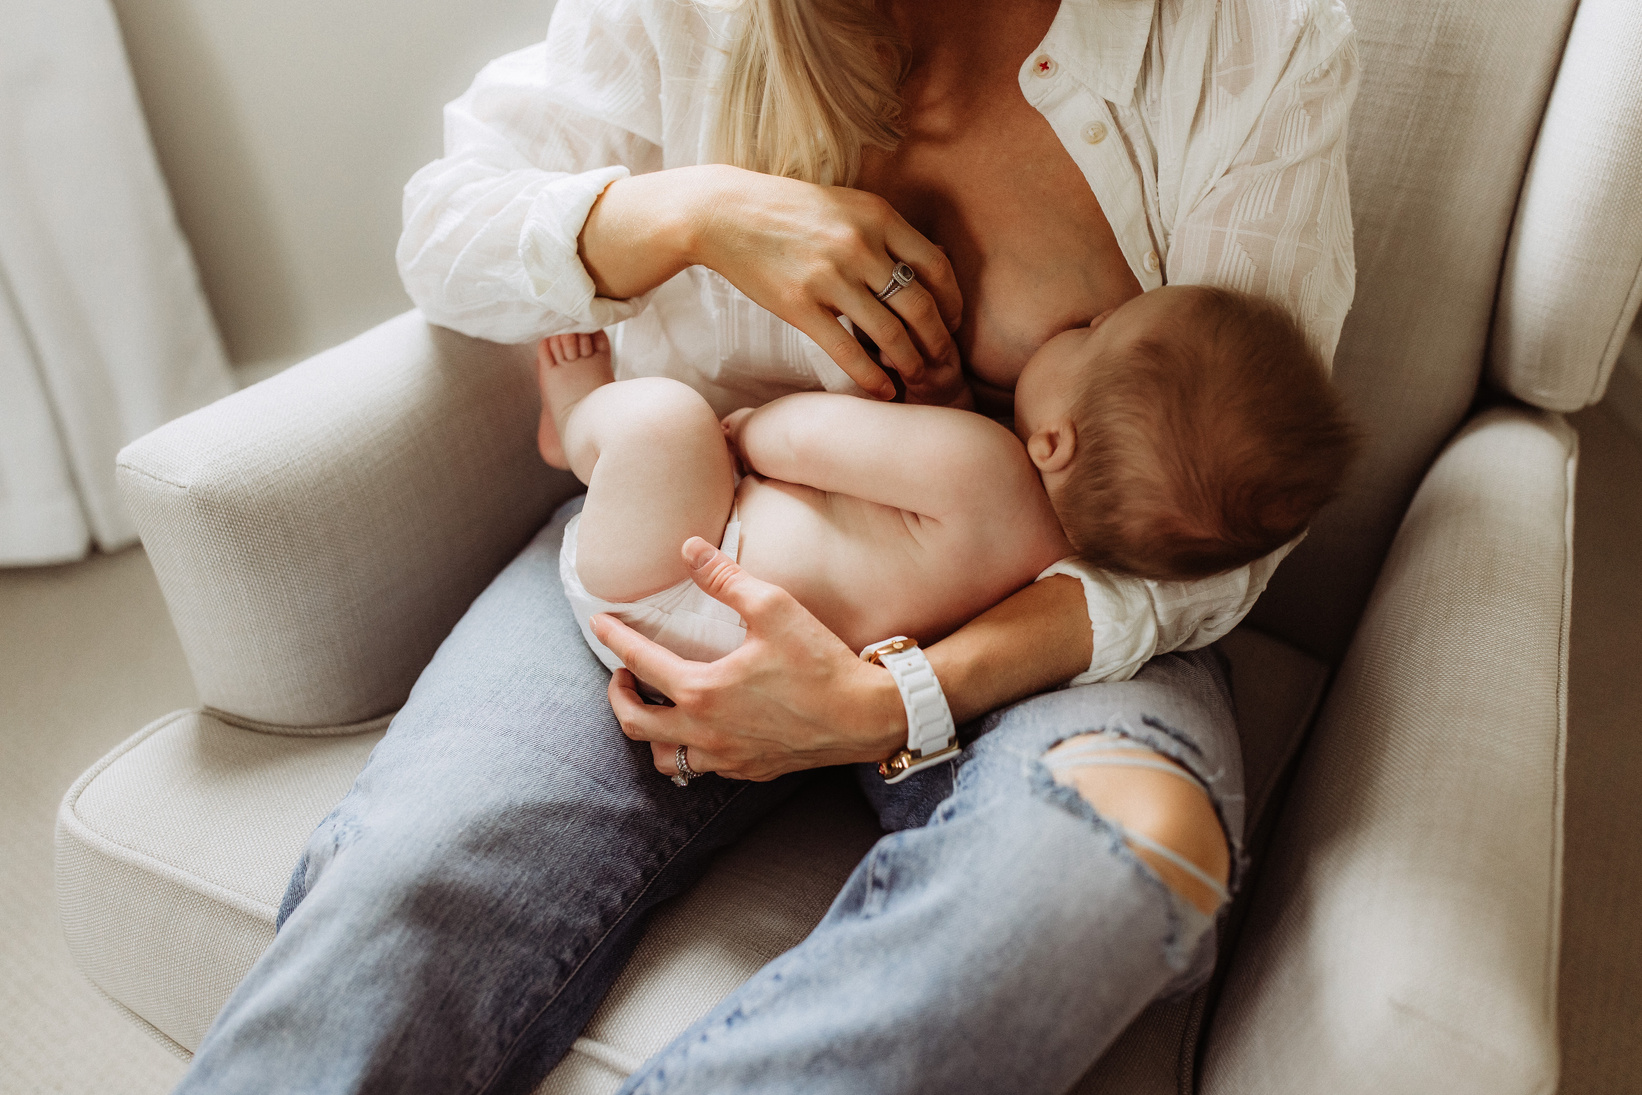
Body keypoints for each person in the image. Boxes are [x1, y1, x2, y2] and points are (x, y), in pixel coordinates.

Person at [173, 1, 1359, 1092]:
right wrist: (691, 215)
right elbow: (445, 226)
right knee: (410, 877)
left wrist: (900, 694)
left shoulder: (1245, 39)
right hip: (692, 543)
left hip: (1059, 622)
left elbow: (1236, 515)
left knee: (1100, 874)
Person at [542, 283, 1355, 749]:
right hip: (756, 675)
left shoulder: (985, 465)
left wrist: (741, 438)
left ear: (1053, 440)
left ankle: (576, 420)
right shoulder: (1049, 566)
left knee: (666, 425)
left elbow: (801, 434)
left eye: (1096, 333)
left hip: (674, 580)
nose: (1093, 315)